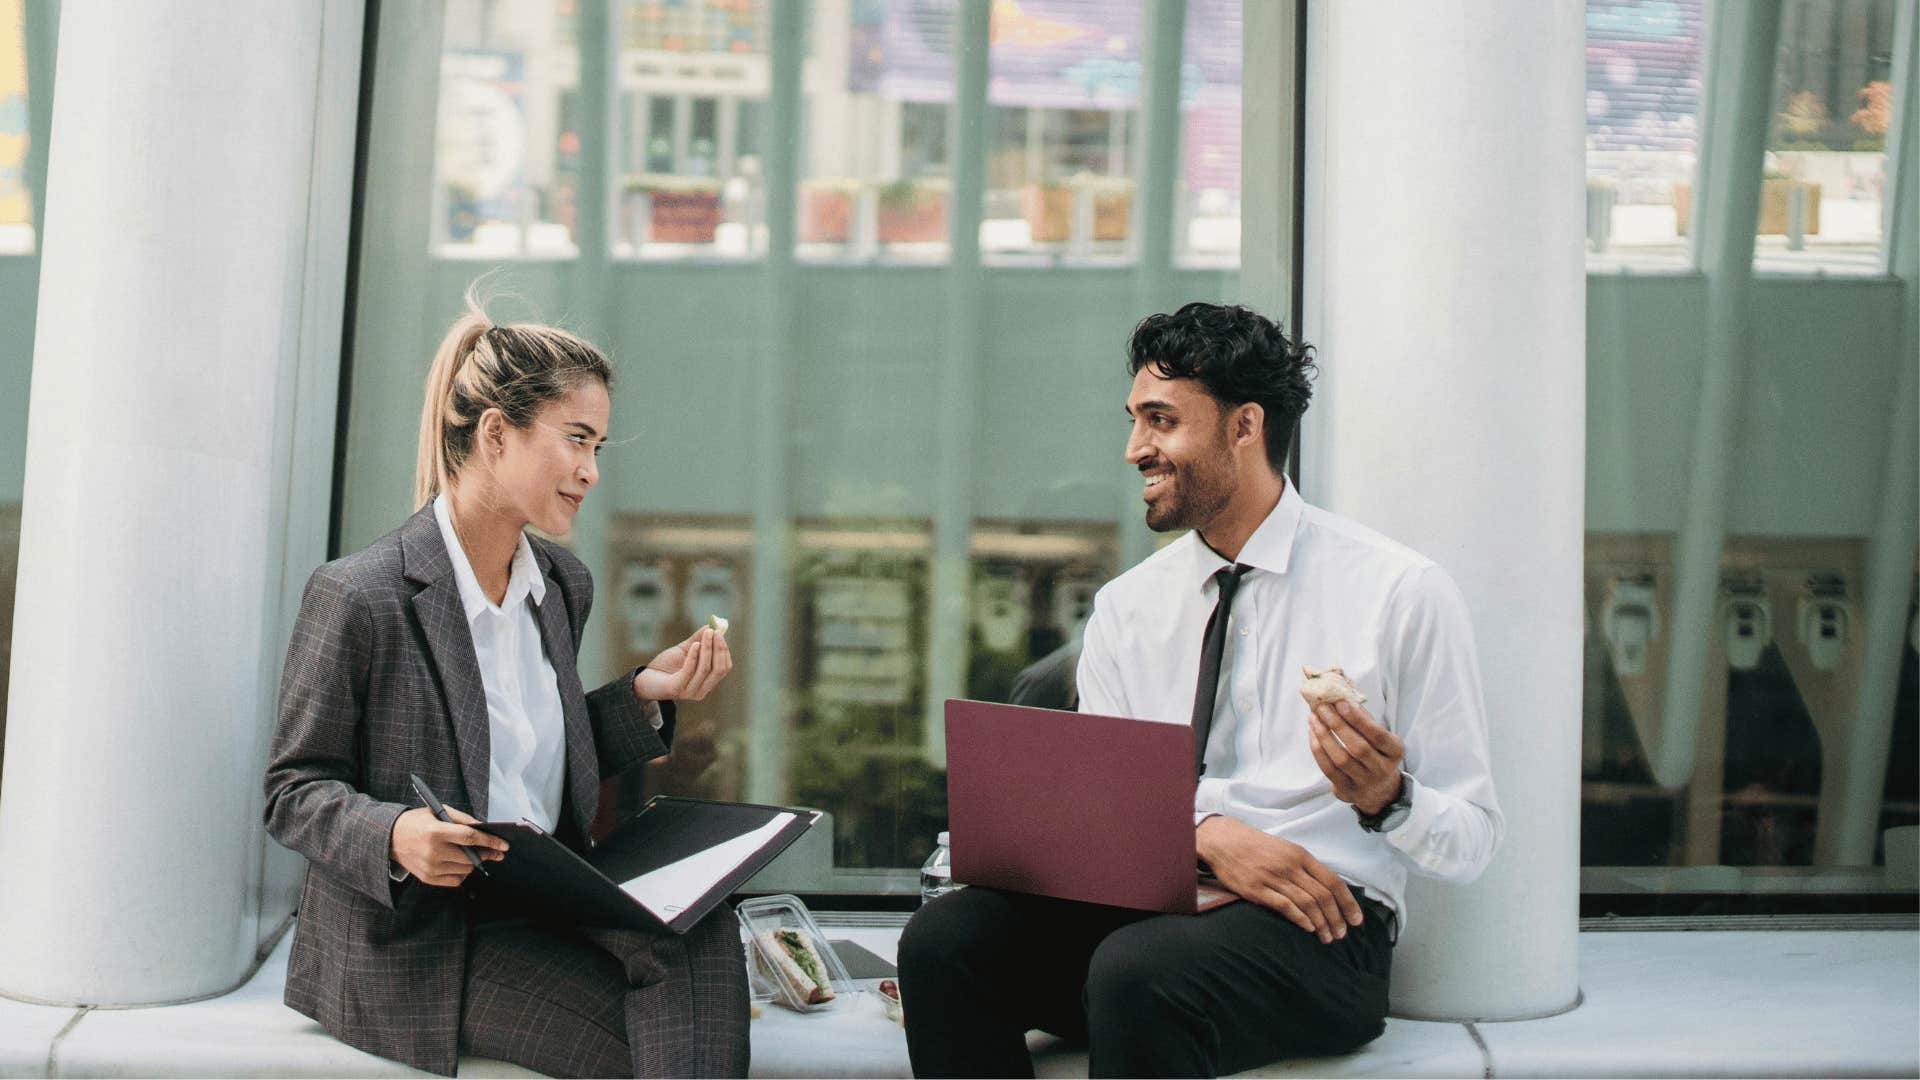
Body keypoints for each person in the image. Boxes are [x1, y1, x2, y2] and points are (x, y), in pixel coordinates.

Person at [897, 302, 1503, 1078]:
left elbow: (1474, 839)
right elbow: (1108, 816)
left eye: (1160, 420)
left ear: (1243, 427)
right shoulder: (1129, 607)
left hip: (1322, 933)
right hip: (1156, 909)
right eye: (1134, 420)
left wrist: (1388, 796)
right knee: (946, 941)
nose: (1133, 449)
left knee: (1137, 970)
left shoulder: (1401, 593)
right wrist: (1206, 835)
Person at [263, 294, 745, 1078]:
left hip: (547, 895)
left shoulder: (561, 584)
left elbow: (522, 744)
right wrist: (394, 836)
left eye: (599, 446)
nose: (591, 470)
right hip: (430, 937)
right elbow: (292, 788)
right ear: (495, 434)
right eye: (577, 440)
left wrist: (645, 696)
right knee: (662, 1045)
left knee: (705, 929)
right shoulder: (361, 595)